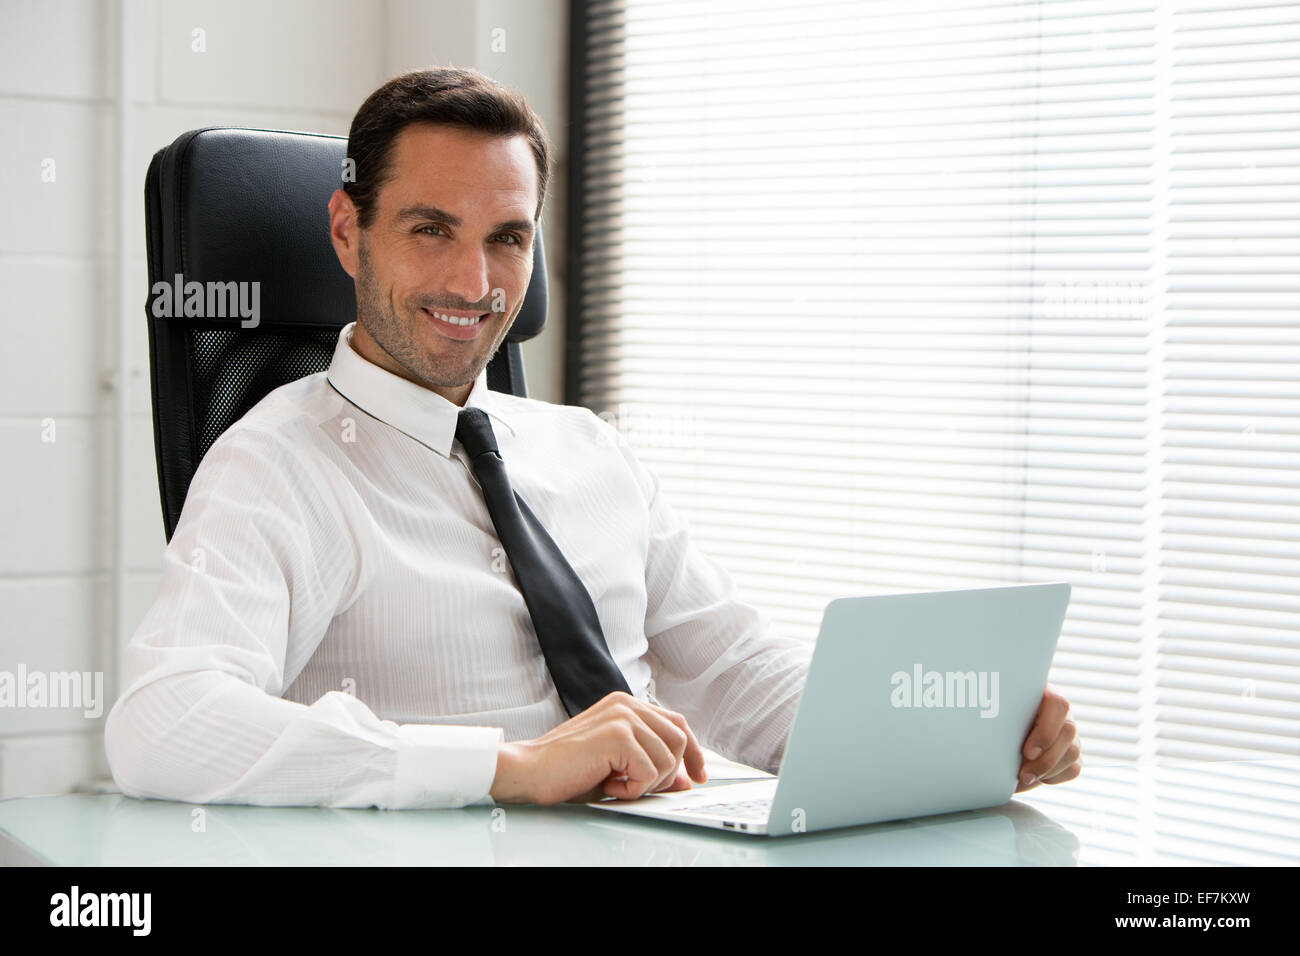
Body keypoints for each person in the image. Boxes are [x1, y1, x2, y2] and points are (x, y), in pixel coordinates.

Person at [105, 67, 1081, 810]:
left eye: (507, 236)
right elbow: (162, 722)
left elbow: (737, 673)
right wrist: (505, 765)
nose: (473, 280)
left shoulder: (590, 451)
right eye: (429, 229)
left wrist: (958, 726)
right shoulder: (278, 464)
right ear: (348, 232)